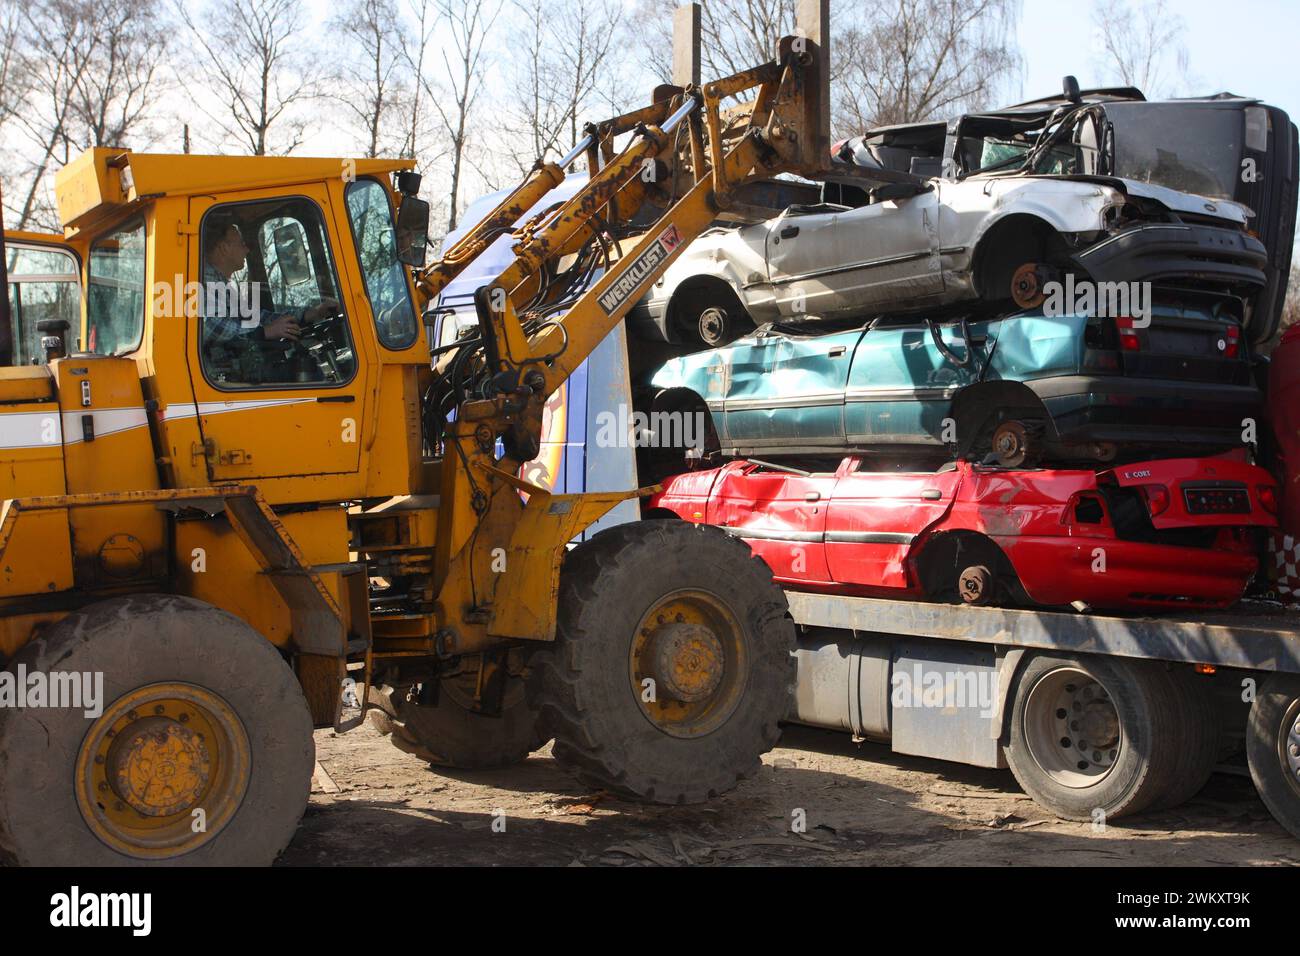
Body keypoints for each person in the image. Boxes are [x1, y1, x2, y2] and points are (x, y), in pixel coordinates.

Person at [200, 214, 337, 358]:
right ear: (224, 248)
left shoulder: (224, 285)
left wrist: (310, 314)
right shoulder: (203, 282)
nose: (247, 250)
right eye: (241, 244)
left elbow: (255, 317)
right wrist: (265, 332)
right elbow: (211, 327)